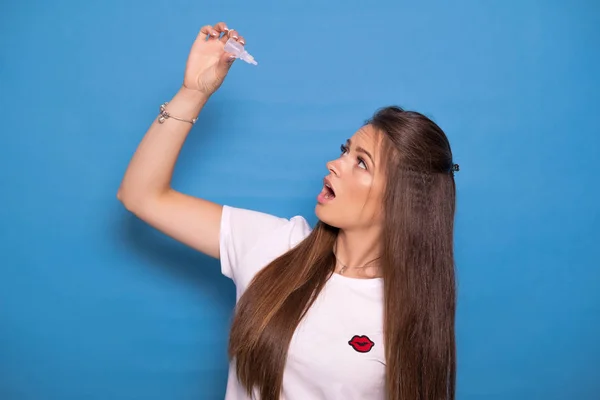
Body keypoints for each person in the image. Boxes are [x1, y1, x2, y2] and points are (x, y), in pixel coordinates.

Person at [117, 21, 459, 400]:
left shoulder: (407, 311)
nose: (334, 163)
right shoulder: (273, 245)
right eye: (345, 149)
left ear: (402, 200)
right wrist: (192, 92)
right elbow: (141, 196)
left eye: (361, 162)